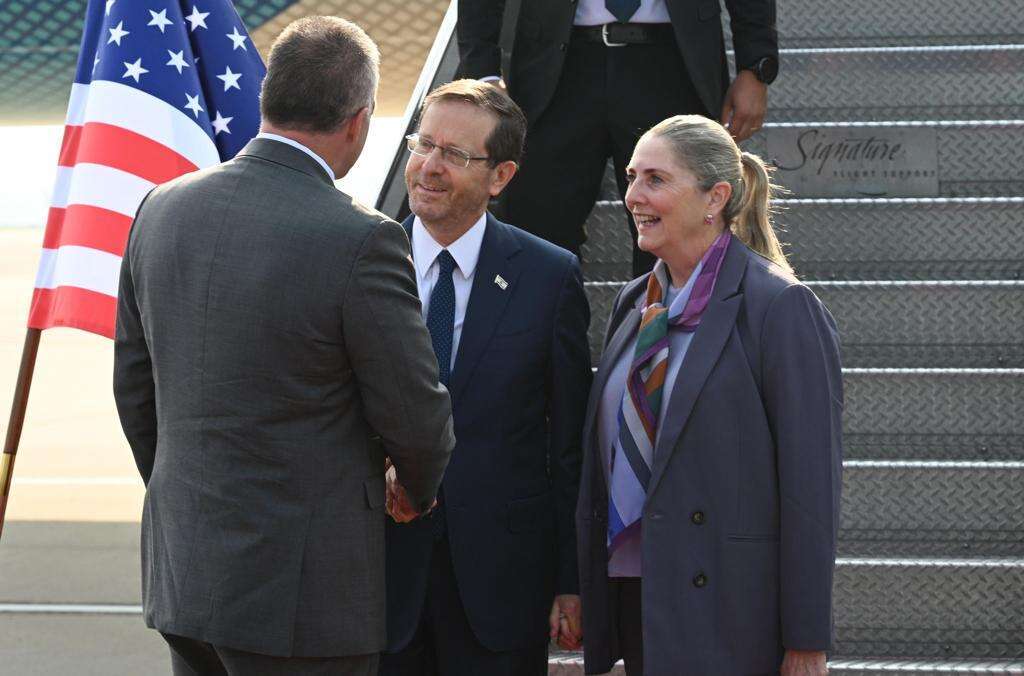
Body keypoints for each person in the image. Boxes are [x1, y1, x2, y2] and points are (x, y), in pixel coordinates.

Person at [113, 17, 455, 676]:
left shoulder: (159, 208)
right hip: (300, 605)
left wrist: (192, 498)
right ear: (358, 121)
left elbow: (135, 388)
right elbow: (415, 413)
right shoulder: (361, 238)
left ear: (269, 100)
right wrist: (416, 485)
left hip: (186, 576)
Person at [575, 115, 842, 676]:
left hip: (729, 614)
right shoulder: (634, 302)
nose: (631, 197)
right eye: (630, 177)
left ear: (714, 198)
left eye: (655, 180)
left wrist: (806, 639)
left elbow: (810, 491)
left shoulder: (780, 307)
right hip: (639, 598)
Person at [379, 79, 592, 676]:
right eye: (423, 145)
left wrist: (571, 581)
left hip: (502, 586)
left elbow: (569, 442)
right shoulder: (363, 260)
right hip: (378, 582)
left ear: (500, 177)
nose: (428, 167)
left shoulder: (549, 277)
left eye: (455, 154)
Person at [456, 0, 780, 278]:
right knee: (537, 235)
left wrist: (756, 66)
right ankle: (549, 350)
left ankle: (666, 348)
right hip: (554, 72)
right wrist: (482, 72)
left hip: (672, 66)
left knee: (675, 233)